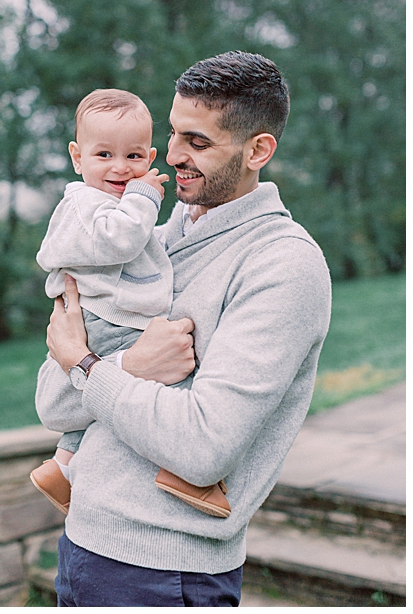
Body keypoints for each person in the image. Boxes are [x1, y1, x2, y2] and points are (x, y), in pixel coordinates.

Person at [36, 51, 331, 606]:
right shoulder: (152, 238)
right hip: (83, 545)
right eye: (172, 134)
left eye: (197, 142)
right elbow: (52, 402)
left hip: (165, 572)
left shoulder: (283, 264)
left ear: (257, 150)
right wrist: (125, 366)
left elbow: (202, 447)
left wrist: (87, 366)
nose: (169, 156)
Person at [29, 88, 230, 520]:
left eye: (134, 156)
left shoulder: (105, 202)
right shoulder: (88, 203)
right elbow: (120, 238)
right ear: (77, 157)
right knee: (175, 372)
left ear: (150, 155)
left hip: (102, 315)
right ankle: (184, 469)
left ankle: (63, 466)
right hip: (111, 318)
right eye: (104, 155)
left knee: (101, 400)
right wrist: (143, 197)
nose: (121, 168)